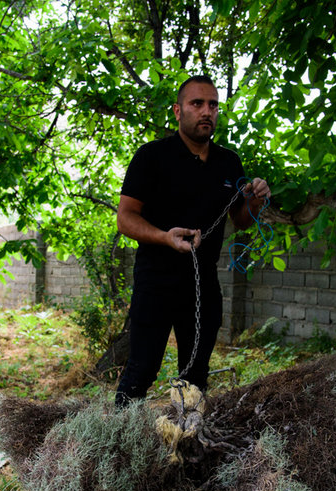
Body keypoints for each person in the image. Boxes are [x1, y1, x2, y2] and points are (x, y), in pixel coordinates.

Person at [114, 74, 270, 406]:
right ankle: (118, 447)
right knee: (141, 372)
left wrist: (254, 201)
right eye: (197, 103)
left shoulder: (228, 162)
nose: (206, 111)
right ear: (177, 111)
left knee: (195, 377)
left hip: (203, 284)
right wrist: (163, 237)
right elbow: (125, 218)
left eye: (212, 105)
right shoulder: (152, 157)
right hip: (155, 280)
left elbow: (241, 222)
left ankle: (186, 447)